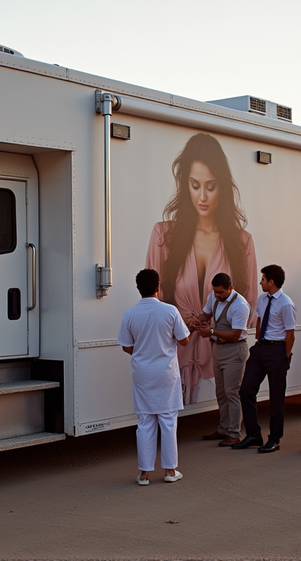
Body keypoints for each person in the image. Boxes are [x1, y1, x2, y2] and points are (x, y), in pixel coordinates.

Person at [146, 133, 258, 406]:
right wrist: (182, 317)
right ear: (185, 185)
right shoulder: (164, 235)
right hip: (175, 352)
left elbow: (249, 305)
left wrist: (215, 324)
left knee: (224, 406)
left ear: (223, 187)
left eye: (211, 186)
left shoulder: (241, 241)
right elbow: (153, 299)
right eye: (195, 185)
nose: (203, 196)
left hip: (221, 354)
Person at [117, 269, 190, 485]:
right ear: (158, 287)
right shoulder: (170, 311)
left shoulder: (130, 314)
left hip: (143, 373)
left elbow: (126, 346)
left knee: (145, 421)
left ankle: (144, 474)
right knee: (168, 421)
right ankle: (170, 471)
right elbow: (184, 340)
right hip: (166, 373)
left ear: (138, 288)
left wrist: (142, 352)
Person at [232, 264, 297, 453]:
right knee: (246, 390)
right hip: (260, 350)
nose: (260, 282)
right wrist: (258, 343)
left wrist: (284, 358)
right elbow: (260, 321)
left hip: (277, 352)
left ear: (271, 281)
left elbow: (290, 335)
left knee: (276, 397)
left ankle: (274, 438)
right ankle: (253, 435)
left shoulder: (286, 303)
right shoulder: (262, 299)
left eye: (263, 279)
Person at [190, 273, 251, 446]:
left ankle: (234, 433)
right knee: (221, 392)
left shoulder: (240, 305)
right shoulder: (213, 296)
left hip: (234, 350)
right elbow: (205, 314)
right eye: (215, 291)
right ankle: (223, 428)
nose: (217, 295)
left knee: (232, 392)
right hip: (218, 349)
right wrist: (195, 322)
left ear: (231, 289)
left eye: (220, 292)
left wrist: (211, 332)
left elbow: (235, 334)